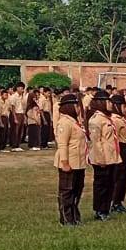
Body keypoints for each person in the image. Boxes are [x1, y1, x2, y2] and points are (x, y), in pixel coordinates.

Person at [53, 92, 87, 226]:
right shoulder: (64, 122)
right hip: (69, 162)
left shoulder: (74, 122)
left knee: (77, 190)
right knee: (67, 191)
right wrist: (65, 162)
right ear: (69, 107)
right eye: (76, 106)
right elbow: (62, 144)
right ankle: (66, 218)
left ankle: (74, 216)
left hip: (78, 162)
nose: (78, 109)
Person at [87, 91, 120, 221]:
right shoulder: (96, 120)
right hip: (101, 158)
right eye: (108, 102)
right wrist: (100, 159)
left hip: (111, 156)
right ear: (101, 103)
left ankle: (106, 208)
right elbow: (96, 142)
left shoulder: (107, 118)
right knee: (101, 185)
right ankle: (99, 210)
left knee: (110, 183)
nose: (111, 104)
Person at [109, 94, 126, 213]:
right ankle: (115, 202)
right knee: (120, 176)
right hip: (121, 148)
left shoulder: (121, 119)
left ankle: (119, 201)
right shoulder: (115, 120)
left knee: (124, 175)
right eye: (124, 106)